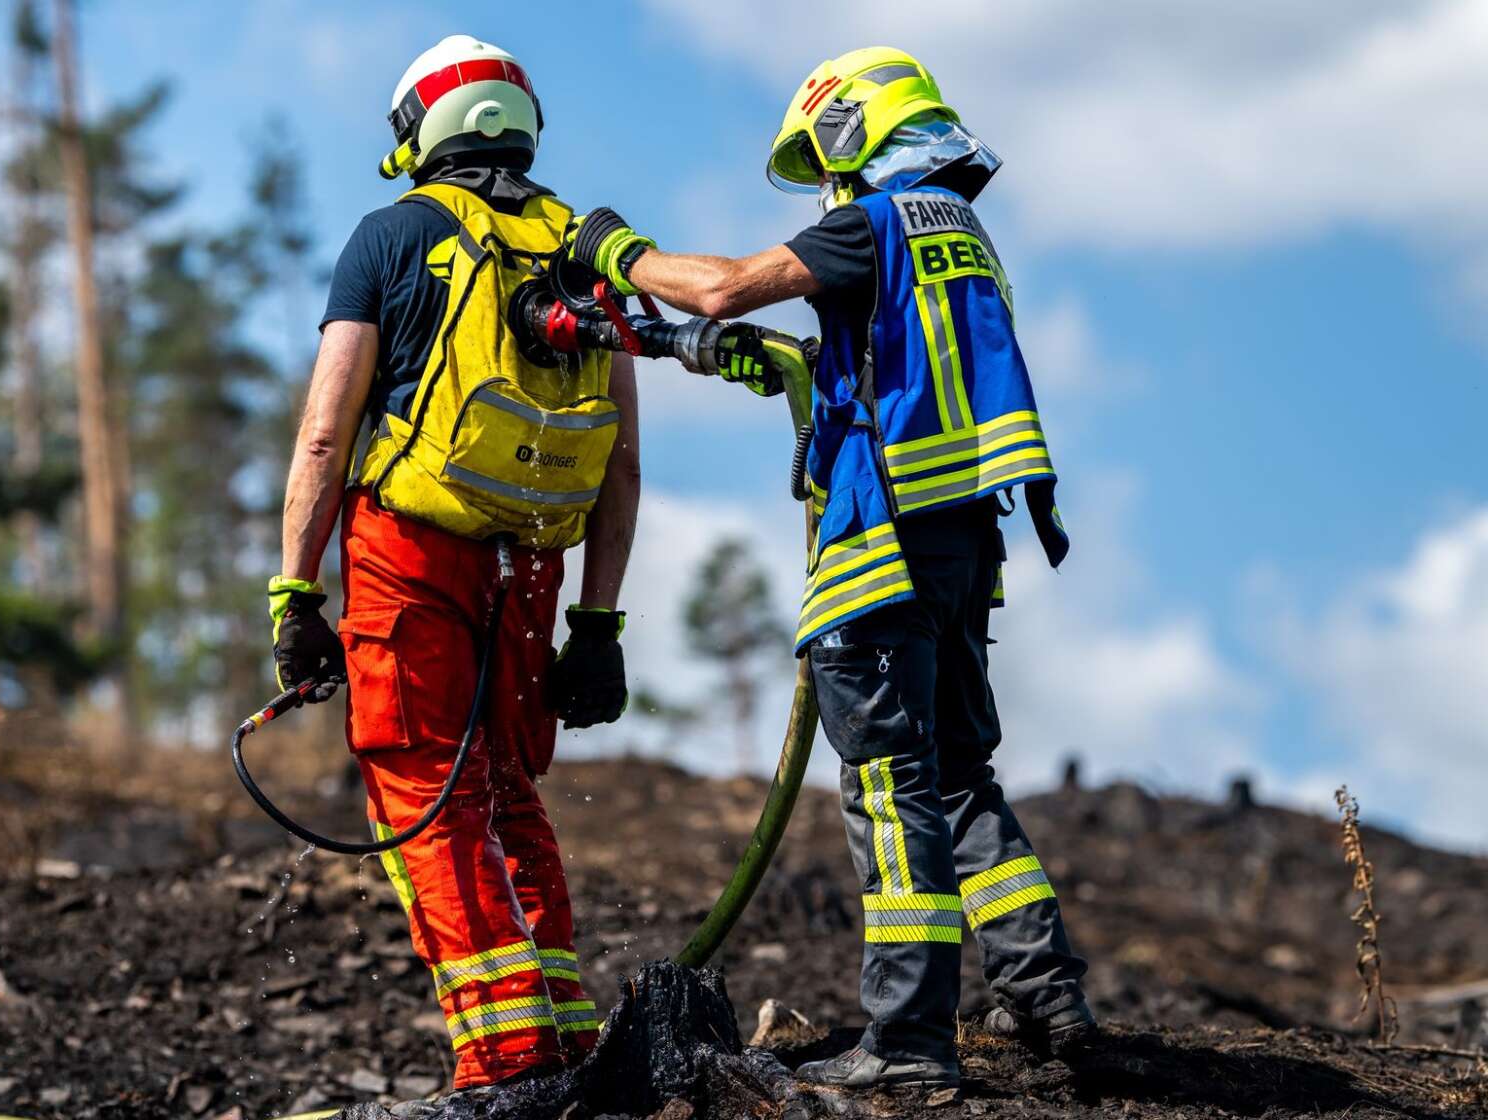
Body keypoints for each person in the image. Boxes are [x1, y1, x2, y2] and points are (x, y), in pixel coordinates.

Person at [564, 46, 1093, 1090]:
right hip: (963, 543)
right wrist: (769, 360)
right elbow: (896, 366)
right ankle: (1045, 993)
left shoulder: (872, 223)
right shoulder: (962, 231)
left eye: (826, 157)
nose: (825, 184)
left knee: (889, 788)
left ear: (855, 129)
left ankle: (907, 1043)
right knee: (959, 772)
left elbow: (723, 289)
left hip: (882, 548)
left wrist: (618, 252)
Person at [271, 34, 640, 1094]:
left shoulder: (391, 237)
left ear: (421, 129)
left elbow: (324, 436)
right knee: (505, 786)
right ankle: (565, 1037)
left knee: (424, 785)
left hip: (409, 553)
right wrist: (597, 625)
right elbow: (620, 465)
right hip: (532, 563)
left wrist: (296, 594)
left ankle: (506, 1061)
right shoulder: (584, 245)